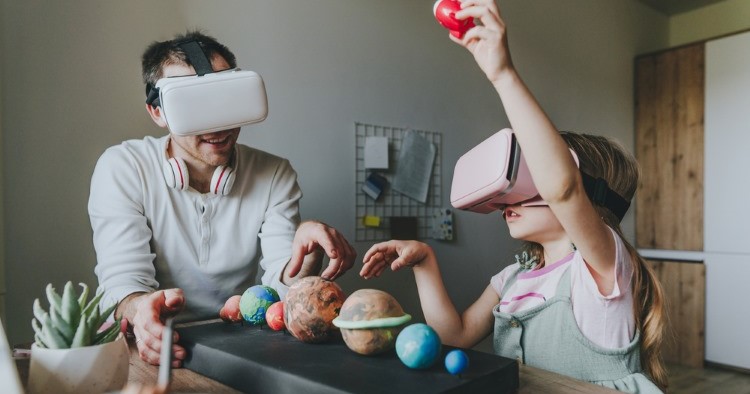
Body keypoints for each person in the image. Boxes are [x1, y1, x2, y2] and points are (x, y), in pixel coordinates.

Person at [360, 1, 666, 392]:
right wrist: (425, 261)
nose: (510, 195)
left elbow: (563, 188)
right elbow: (454, 336)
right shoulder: (513, 278)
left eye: (531, 176)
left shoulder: (601, 268)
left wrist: (502, 74)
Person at [89, 30, 356, 368]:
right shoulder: (123, 167)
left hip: (239, 341)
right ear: (157, 112)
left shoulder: (274, 174)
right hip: (151, 349)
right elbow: (123, 283)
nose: (218, 125)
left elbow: (282, 287)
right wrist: (140, 309)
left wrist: (306, 255)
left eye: (226, 100)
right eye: (193, 104)